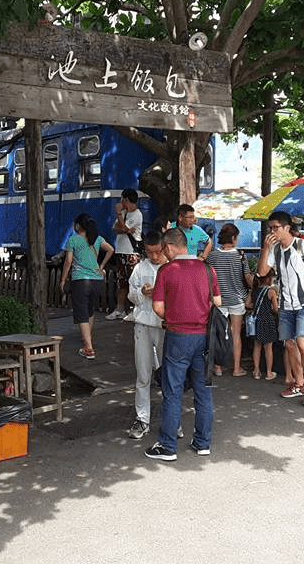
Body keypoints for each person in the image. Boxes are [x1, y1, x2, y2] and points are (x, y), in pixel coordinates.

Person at [144, 227, 220, 461]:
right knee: (203, 391)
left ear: (168, 247)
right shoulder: (208, 269)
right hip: (203, 338)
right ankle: (202, 442)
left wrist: (173, 317)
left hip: (177, 336)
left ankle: (168, 446)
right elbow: (217, 301)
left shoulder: (167, 271)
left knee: (173, 391)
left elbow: (157, 307)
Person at [257, 210, 304, 407]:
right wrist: (265, 248)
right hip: (286, 304)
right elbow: (262, 272)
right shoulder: (274, 249)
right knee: (289, 344)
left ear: (287, 227)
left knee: (303, 342)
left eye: (276, 227)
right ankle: (298, 383)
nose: (272, 231)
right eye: (270, 228)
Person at [125, 230, 167, 440]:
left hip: (164, 324)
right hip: (143, 323)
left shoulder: (170, 267)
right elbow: (130, 294)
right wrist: (141, 292)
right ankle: (143, 419)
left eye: (158, 252)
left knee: (167, 375)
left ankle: (171, 419)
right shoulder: (140, 268)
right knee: (143, 374)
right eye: (150, 252)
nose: (154, 256)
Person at [60, 213, 114, 360]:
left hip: (80, 280)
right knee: (90, 311)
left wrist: (63, 280)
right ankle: (87, 339)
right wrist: (102, 266)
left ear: (78, 226)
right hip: (97, 280)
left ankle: (88, 347)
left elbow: (68, 262)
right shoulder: (97, 238)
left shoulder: (73, 240)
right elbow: (111, 249)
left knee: (81, 313)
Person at [206, 223, 254, 377]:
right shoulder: (240, 255)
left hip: (218, 300)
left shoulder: (212, 256)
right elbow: (247, 277)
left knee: (219, 333)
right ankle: (236, 368)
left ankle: (218, 367)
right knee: (235, 334)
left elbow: (208, 278)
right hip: (237, 300)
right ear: (233, 238)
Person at [105, 189, 144, 320]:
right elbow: (117, 229)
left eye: (122, 199)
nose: (121, 202)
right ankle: (120, 309)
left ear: (126, 200)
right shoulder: (123, 213)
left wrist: (119, 216)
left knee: (134, 282)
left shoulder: (137, 214)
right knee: (121, 283)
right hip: (120, 251)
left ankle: (135, 310)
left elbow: (125, 228)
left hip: (132, 253)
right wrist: (123, 227)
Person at [249, 272, 280, 380]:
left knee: (257, 346)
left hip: (257, 320)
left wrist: (257, 306)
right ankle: (269, 372)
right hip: (268, 320)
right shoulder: (271, 291)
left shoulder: (254, 291)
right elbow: (276, 309)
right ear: (268, 279)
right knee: (268, 347)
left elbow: (247, 304)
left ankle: (256, 371)